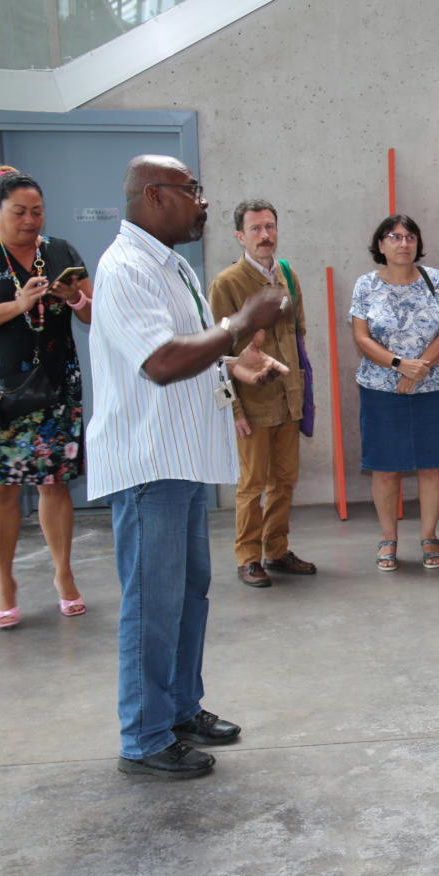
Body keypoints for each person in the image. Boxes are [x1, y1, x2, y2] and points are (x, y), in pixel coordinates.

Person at [88, 155, 290, 779]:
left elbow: (185, 346)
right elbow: (160, 361)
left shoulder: (171, 265)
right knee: (153, 605)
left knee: (186, 596)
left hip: (181, 459)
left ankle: (178, 709)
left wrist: (233, 363)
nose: (202, 201)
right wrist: (241, 323)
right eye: (191, 190)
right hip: (149, 462)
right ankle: (144, 738)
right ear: (154, 195)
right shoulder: (125, 268)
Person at [0, 165, 92, 629]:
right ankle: (5, 582)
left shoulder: (61, 251)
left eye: (37, 211)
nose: (30, 220)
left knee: (55, 483)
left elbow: (94, 314)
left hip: (56, 387)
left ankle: (64, 574)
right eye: (19, 212)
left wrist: (74, 298)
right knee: (1, 487)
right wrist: (19, 304)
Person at [209, 199, 317, 588]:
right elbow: (217, 351)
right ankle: (248, 557)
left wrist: (300, 391)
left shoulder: (287, 274)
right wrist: (234, 409)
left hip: (288, 397)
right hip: (252, 404)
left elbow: (298, 332)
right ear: (240, 236)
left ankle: (276, 549)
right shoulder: (227, 283)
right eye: (255, 229)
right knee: (252, 484)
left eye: (269, 226)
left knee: (284, 480)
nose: (265, 235)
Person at [349, 215, 439, 570]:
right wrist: (400, 365)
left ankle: (429, 536)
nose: (403, 243)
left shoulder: (434, 279)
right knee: (385, 468)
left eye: (410, 237)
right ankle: (388, 539)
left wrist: (419, 368)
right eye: (394, 237)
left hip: (433, 385)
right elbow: (362, 337)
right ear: (380, 244)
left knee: (432, 465)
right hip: (382, 389)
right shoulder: (366, 285)